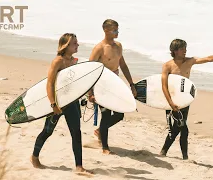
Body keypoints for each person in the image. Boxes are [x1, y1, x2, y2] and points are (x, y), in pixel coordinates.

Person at [160, 38, 213, 160]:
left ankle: (166, 152)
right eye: (182, 49)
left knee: (178, 128)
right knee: (181, 129)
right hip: (172, 100)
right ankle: (180, 156)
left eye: (185, 48)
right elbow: (163, 86)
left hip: (185, 100)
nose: (185, 50)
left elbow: (208, 58)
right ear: (175, 51)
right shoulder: (167, 66)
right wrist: (170, 102)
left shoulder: (190, 61)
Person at [30, 33, 93, 175]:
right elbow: (50, 83)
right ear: (66, 46)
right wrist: (53, 104)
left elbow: (75, 84)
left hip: (71, 103)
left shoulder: (75, 61)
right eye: (74, 43)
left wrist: (88, 94)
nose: (77, 45)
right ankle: (34, 157)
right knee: (48, 131)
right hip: (57, 103)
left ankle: (79, 166)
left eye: (77, 43)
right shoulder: (57, 61)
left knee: (76, 133)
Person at [87, 19, 137, 155]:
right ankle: (105, 147)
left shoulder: (118, 46)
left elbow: (123, 65)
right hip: (101, 85)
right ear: (106, 30)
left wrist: (131, 84)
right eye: (115, 30)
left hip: (115, 84)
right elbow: (89, 70)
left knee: (119, 114)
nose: (117, 32)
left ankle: (99, 132)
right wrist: (89, 93)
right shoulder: (99, 48)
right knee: (106, 114)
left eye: (117, 29)